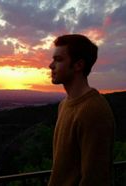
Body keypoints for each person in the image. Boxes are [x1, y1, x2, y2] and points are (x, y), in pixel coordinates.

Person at [47, 34, 115, 186]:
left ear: (78, 65)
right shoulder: (64, 105)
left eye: (58, 60)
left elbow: (96, 177)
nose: (51, 65)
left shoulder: (94, 110)